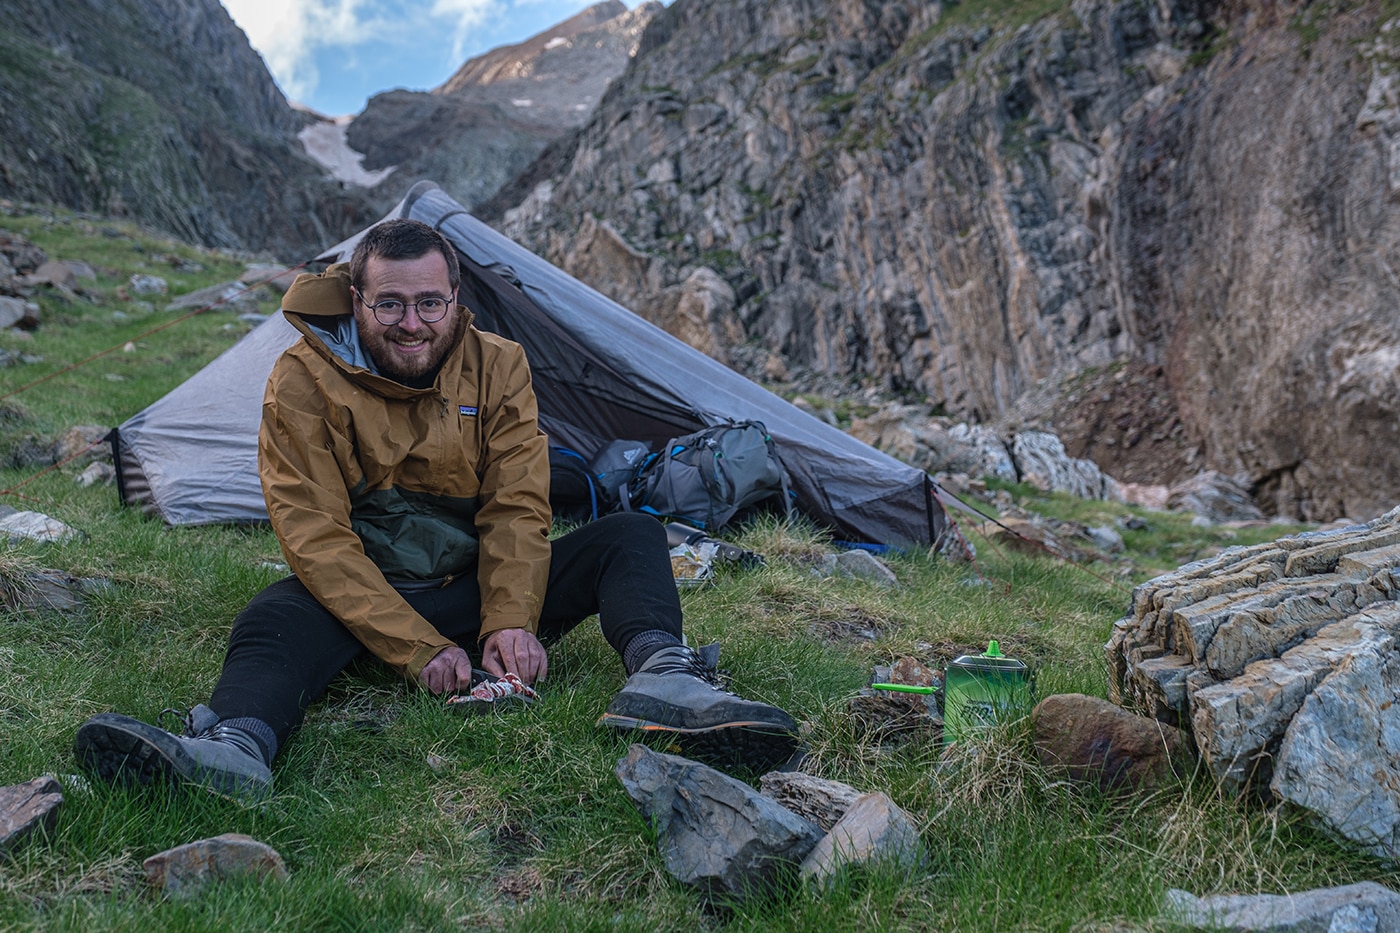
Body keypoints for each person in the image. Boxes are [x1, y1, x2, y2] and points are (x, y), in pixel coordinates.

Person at [74, 219, 798, 802]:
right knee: (273, 616)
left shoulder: (499, 363)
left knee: (630, 536)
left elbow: (518, 501)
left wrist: (509, 621)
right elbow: (315, 535)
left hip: (478, 584)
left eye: (429, 303)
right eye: (389, 303)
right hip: (372, 597)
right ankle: (235, 748)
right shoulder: (301, 377)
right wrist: (419, 650)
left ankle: (665, 676)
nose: (411, 323)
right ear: (356, 301)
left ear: (456, 300)